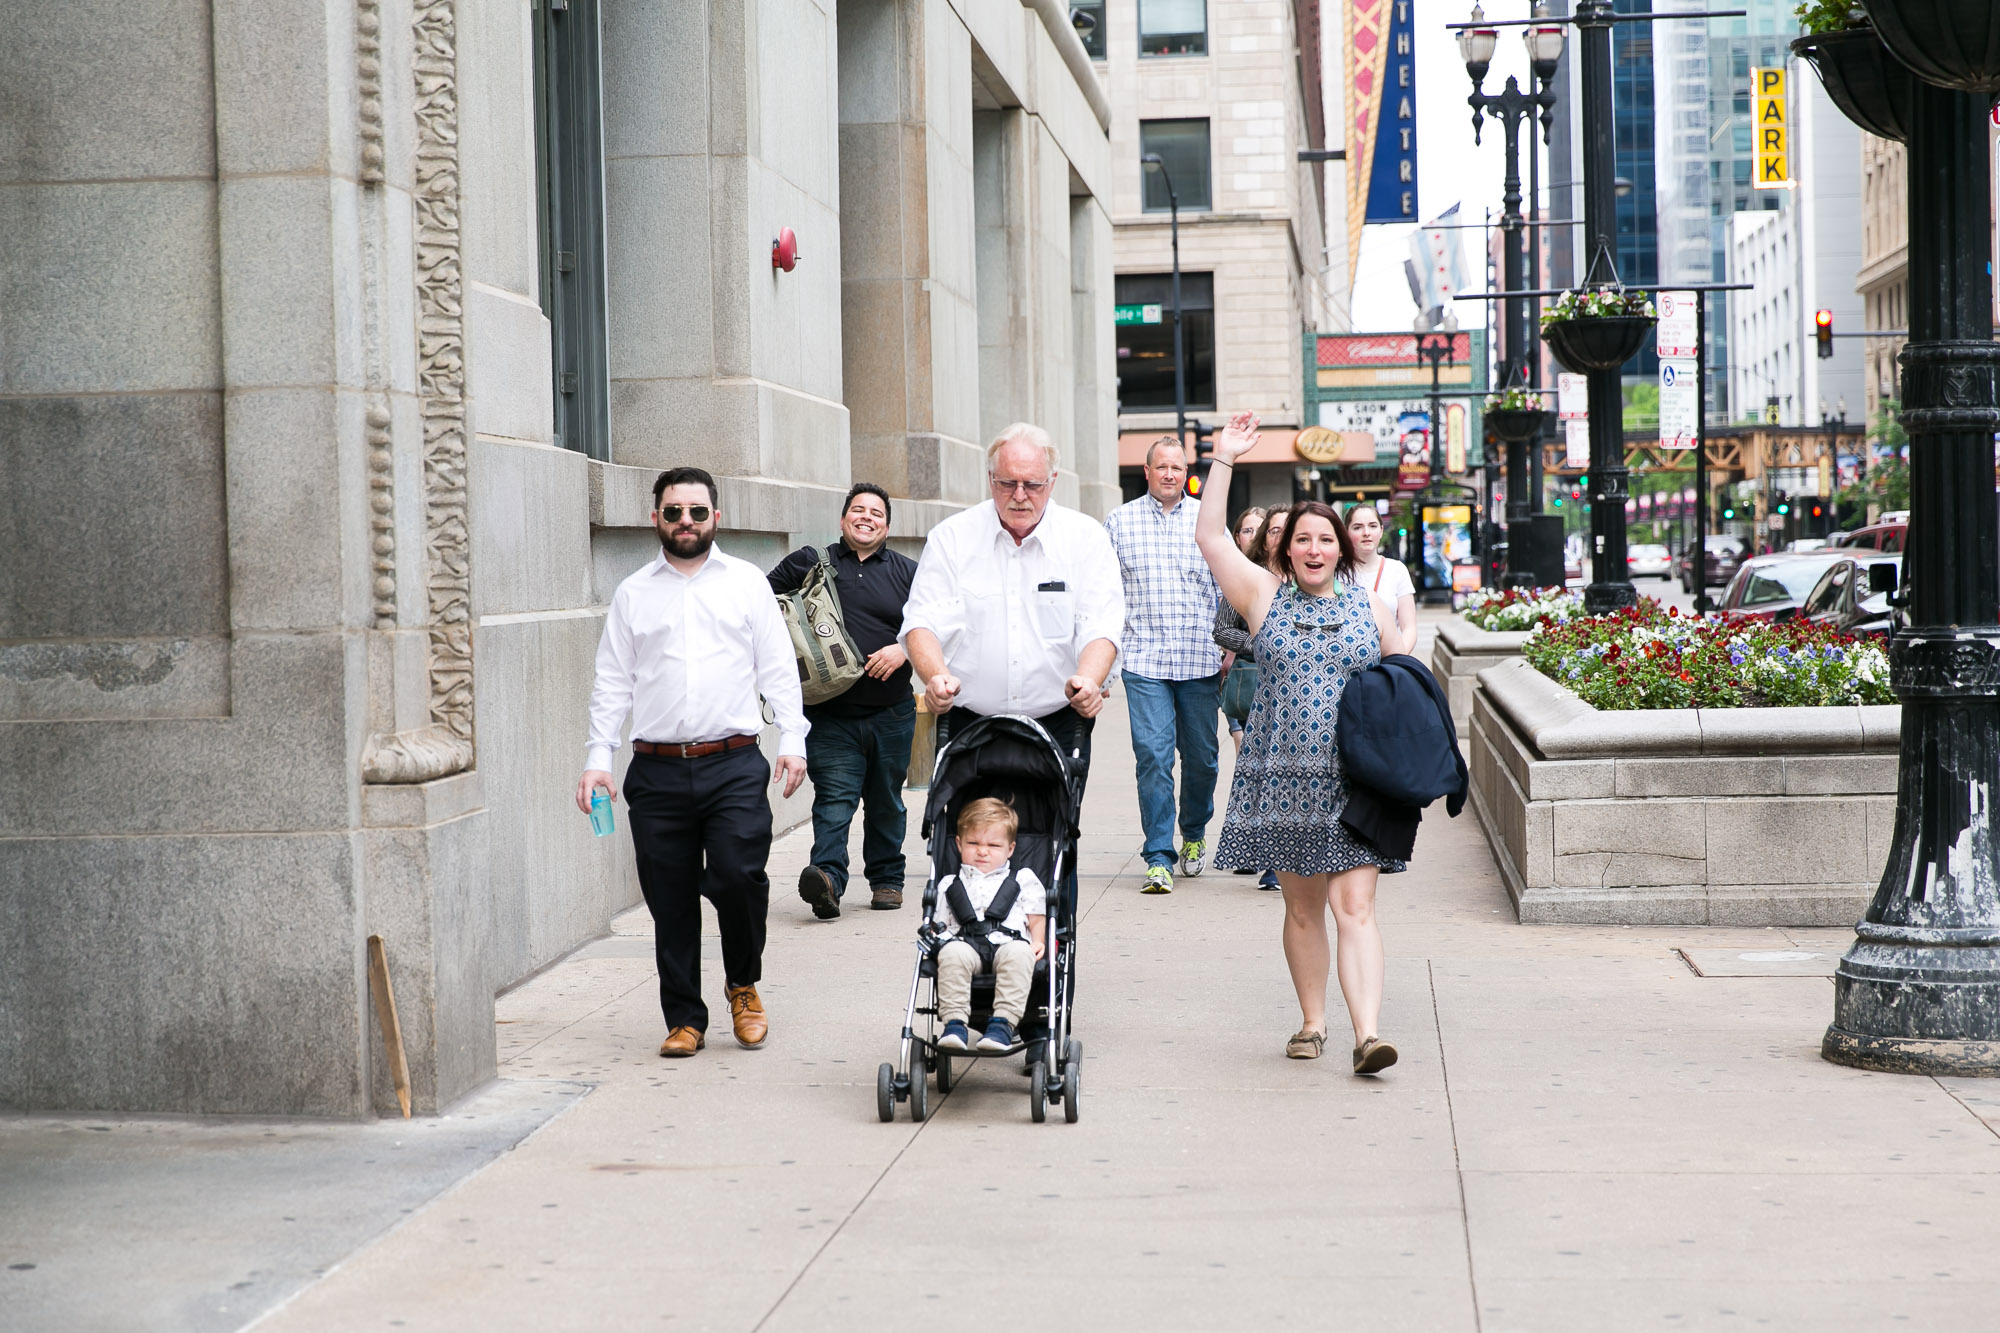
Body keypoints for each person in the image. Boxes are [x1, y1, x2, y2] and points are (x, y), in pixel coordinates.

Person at [1194, 413, 1413, 1075]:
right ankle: (1313, 1022)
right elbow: (1208, 535)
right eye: (1302, 539)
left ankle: (1368, 1033)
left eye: (1326, 538)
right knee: (1302, 907)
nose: (1314, 548)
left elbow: (1396, 679)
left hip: (1354, 780)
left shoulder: (1367, 607)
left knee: (1357, 906)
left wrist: (1407, 643)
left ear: (1341, 549)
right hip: (1283, 774)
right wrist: (1225, 459)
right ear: (1285, 550)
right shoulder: (1262, 595)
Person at [576, 467, 808, 1059]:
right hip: (654, 771)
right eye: (673, 511)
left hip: (732, 762)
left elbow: (777, 666)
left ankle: (743, 984)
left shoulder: (747, 583)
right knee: (669, 896)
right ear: (655, 518)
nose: (685, 521)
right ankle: (684, 1017)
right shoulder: (633, 592)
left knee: (737, 876)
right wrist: (598, 757)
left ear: (715, 519)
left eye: (696, 512)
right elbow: (612, 682)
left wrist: (792, 740)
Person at [900, 423, 1123, 873]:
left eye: (1032, 484)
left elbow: (1102, 624)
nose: (1020, 495)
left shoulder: (1085, 540)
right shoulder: (953, 538)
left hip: (1057, 723)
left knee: (1050, 847)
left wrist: (1089, 679)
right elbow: (921, 621)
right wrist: (935, 676)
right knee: (967, 850)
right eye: (1007, 483)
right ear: (990, 480)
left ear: (1052, 482)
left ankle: (1043, 937)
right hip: (969, 725)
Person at [768, 483, 920, 918]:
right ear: (842, 519)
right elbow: (758, 603)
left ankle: (887, 880)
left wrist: (903, 649)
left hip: (892, 712)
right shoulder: (810, 562)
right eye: (858, 510)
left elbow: (938, 624)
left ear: (887, 525)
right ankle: (828, 879)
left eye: (876, 512)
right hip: (829, 716)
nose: (866, 517)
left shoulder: (908, 572)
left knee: (886, 800)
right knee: (834, 799)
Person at [1104, 437, 1226, 895]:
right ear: (1148, 470)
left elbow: (1227, 587)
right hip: (1144, 660)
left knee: (1203, 759)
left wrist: (1232, 646)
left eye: (1177, 467)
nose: (1170, 474)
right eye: (1163, 467)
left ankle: (1193, 834)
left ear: (1185, 471)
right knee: (1153, 757)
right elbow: (1105, 594)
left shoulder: (1207, 521)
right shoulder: (1118, 522)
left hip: (1199, 659)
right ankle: (1159, 855)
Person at [932, 798, 1048, 1054]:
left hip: (1010, 942)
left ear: (1010, 849)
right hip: (964, 942)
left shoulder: (1022, 879)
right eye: (973, 843)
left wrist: (1038, 940)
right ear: (959, 844)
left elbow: (1036, 915)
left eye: (993, 845)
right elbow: (939, 924)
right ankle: (954, 1024)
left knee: (1021, 954)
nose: (982, 851)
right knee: (950, 954)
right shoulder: (950, 884)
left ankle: (1003, 1024)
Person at [1215, 506, 1282, 892]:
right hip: (1254, 693)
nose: (1277, 537)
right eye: (1271, 531)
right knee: (1259, 773)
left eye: (1284, 530)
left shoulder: (1311, 578)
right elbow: (1222, 629)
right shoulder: (1246, 579)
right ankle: (1269, 860)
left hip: (1301, 697)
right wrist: (1259, 646)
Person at [1344, 503, 1417, 649]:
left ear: (1381, 530)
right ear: (1346, 533)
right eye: (1357, 527)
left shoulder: (1396, 570)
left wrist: (1397, 659)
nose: (1366, 532)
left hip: (1388, 659)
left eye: (1372, 526)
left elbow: (1409, 628)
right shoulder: (1336, 572)